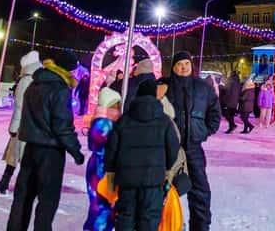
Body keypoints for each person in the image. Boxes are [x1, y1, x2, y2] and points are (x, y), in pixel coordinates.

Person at [6, 52, 85, 231]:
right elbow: (62, 126)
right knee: (47, 200)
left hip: (30, 148)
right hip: (51, 153)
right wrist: (76, 150)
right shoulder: (60, 89)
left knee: (23, 197)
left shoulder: (34, 84)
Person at [105, 79, 180, 231]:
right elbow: (173, 148)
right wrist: (165, 167)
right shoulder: (165, 121)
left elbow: (111, 149)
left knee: (126, 217)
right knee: (149, 219)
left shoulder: (123, 120)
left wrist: (111, 172)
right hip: (153, 180)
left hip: (127, 181)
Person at [161, 50, 221, 231]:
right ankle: (164, 225)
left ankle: (200, 226)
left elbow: (215, 112)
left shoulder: (203, 87)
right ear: (173, 67)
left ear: (191, 65)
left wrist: (204, 131)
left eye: (186, 64)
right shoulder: (164, 86)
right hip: (168, 150)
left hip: (193, 148)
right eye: (179, 64)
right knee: (163, 190)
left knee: (200, 191)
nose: (183, 67)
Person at [0, 50, 42, 194]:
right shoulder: (38, 79)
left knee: (16, 156)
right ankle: (6, 183)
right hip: (33, 125)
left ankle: (16, 185)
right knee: (19, 156)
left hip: (22, 126)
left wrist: (13, 127)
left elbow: (19, 106)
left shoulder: (25, 80)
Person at [84, 87, 121, 231]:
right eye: (115, 106)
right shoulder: (104, 124)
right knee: (101, 207)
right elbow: (103, 146)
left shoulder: (104, 122)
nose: (118, 109)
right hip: (101, 169)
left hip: (100, 167)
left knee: (101, 206)